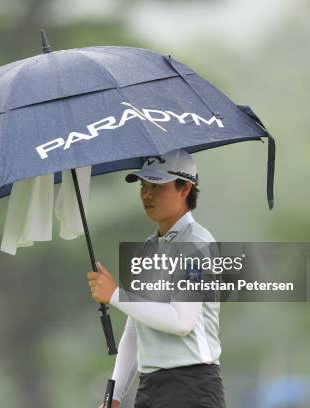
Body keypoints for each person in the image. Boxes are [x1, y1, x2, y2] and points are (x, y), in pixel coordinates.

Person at [87, 149, 225, 408]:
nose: (147, 194)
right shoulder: (147, 249)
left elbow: (182, 321)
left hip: (192, 387)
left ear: (185, 188)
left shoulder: (196, 244)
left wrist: (116, 295)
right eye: (144, 185)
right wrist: (114, 394)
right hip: (150, 388)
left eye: (157, 186)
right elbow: (134, 328)